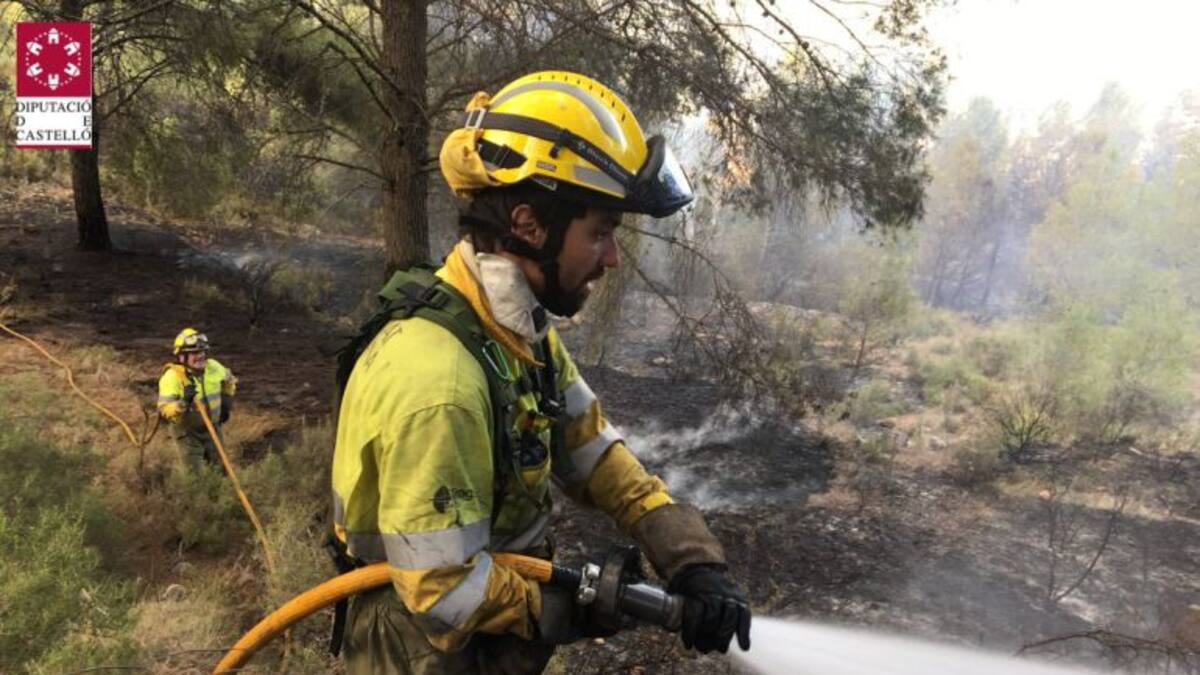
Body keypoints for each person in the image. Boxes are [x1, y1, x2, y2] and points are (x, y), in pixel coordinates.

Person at [331, 70, 751, 674]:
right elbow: (445, 593)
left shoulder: (511, 329)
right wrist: (590, 604)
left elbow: (592, 449)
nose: (610, 258)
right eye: (600, 233)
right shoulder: (440, 384)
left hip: (487, 647)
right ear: (528, 225)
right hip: (424, 653)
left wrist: (689, 557)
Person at [157, 327, 237, 468]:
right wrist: (183, 402)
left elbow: (229, 381)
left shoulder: (214, 367)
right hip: (189, 434)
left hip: (213, 429)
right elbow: (165, 409)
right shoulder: (173, 377)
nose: (199, 356)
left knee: (221, 471)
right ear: (182, 357)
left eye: (201, 351)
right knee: (195, 478)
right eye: (193, 353)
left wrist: (226, 401)